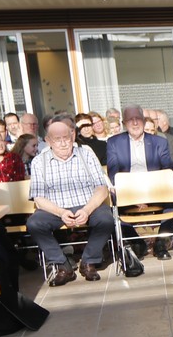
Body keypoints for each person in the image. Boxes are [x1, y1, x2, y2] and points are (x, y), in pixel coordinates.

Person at [27, 114, 113, 286]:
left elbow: (101, 189)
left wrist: (87, 210)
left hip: (87, 204)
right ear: (48, 141)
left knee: (106, 219)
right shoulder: (39, 161)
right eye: (57, 139)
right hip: (55, 208)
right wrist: (61, 212)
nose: (63, 143)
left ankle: (89, 261)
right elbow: (39, 198)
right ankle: (62, 265)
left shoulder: (86, 155)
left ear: (72, 136)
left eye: (66, 138)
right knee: (34, 223)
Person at [106, 104, 173, 260]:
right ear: (124, 123)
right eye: (130, 120)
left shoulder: (159, 142)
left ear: (144, 121)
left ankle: (161, 242)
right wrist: (132, 195)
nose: (134, 123)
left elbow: (168, 170)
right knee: (112, 202)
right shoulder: (114, 142)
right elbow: (113, 173)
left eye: (138, 119)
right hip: (127, 190)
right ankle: (136, 242)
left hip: (155, 188)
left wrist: (150, 192)